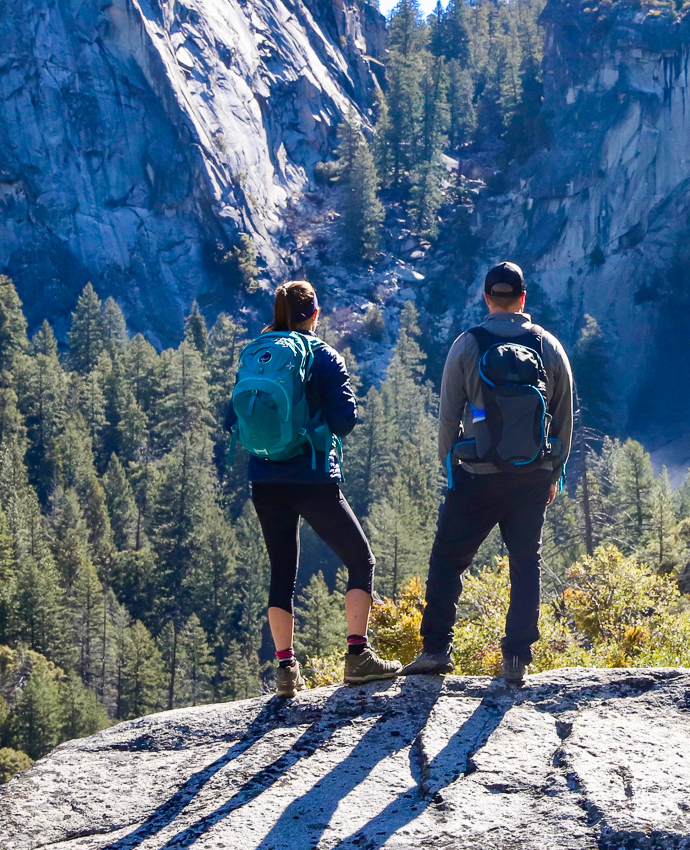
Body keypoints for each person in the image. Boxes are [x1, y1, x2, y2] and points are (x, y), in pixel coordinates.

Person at [402, 262, 574, 688]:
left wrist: (450, 469)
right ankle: (516, 657)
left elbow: (448, 415)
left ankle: (436, 649)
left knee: (448, 559)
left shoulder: (467, 345)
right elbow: (564, 414)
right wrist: (554, 472)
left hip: (476, 475)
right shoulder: (547, 346)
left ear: (486, 298)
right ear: (523, 299)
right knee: (525, 562)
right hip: (530, 475)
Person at [233, 280, 400, 697]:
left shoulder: (256, 353)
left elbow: (231, 415)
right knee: (361, 560)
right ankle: (358, 657)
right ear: (315, 313)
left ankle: (286, 669)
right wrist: (316, 428)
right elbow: (345, 420)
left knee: (282, 571)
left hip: (264, 476)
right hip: (312, 475)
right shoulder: (322, 355)